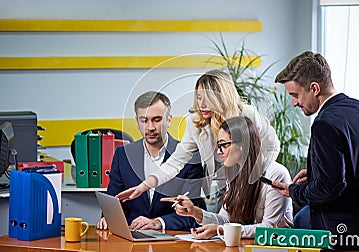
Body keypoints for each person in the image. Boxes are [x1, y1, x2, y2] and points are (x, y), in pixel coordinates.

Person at [273, 51, 359, 250]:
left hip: (347, 233)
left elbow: (329, 189)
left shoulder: (324, 124)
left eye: (295, 95)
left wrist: (293, 191)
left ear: (314, 88)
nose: (294, 103)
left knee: (296, 222)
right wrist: (316, 172)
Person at [116, 69, 280, 209]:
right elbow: (176, 162)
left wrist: (253, 177)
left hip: (255, 183)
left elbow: (272, 147)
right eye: (199, 97)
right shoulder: (195, 123)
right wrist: (145, 185)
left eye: (207, 98)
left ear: (221, 97)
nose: (201, 104)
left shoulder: (247, 114)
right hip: (223, 187)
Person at [162, 116, 292, 239]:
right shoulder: (235, 175)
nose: (219, 152)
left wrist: (222, 230)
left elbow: (270, 228)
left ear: (242, 145)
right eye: (218, 146)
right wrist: (194, 212)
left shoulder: (276, 174)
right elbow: (225, 220)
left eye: (223, 145)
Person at [97, 91, 206, 231]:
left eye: (157, 119)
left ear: (169, 119)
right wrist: (108, 217)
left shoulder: (190, 155)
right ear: (137, 121)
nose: (150, 128)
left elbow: (193, 212)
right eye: (144, 120)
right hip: (132, 237)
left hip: (172, 240)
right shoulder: (122, 155)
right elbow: (114, 202)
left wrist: (157, 222)